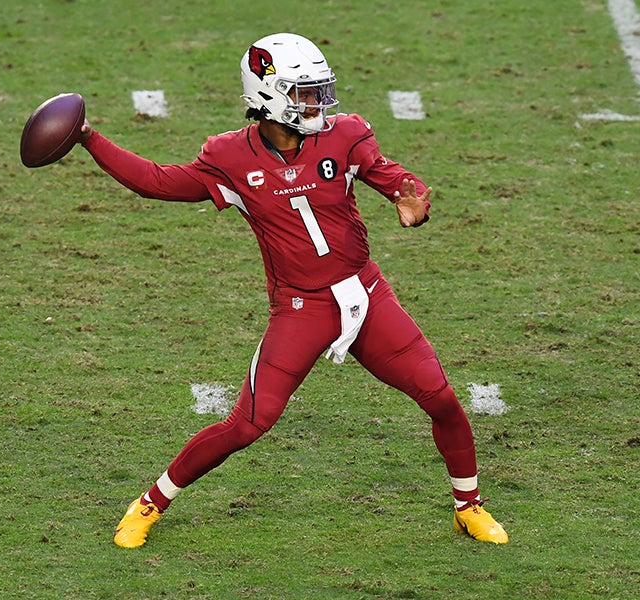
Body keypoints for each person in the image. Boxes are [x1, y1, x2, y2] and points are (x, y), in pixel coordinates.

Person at [77, 32, 508, 547]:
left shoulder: (345, 134)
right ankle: (149, 503)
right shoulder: (230, 157)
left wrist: (414, 208)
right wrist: (88, 137)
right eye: (305, 93)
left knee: (441, 398)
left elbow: (397, 180)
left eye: (320, 91)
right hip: (301, 308)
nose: (318, 103)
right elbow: (156, 181)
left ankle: (468, 506)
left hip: (365, 294)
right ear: (267, 95)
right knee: (248, 424)